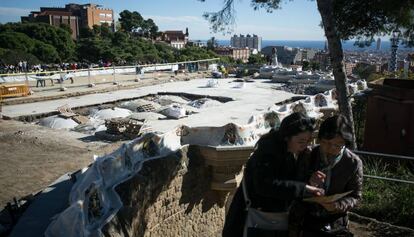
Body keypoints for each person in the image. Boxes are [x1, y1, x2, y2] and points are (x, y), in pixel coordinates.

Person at [222, 112, 324, 237]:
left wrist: (309, 181)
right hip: (252, 220)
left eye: (308, 141)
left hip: (274, 221)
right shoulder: (267, 153)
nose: (305, 145)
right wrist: (303, 188)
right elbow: (265, 185)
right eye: (301, 141)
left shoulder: (291, 152)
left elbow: (289, 181)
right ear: (287, 137)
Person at [290, 115, 363, 237]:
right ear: (319, 139)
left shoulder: (353, 162)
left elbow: (356, 197)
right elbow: (293, 185)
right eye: (327, 143)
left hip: (336, 221)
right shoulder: (308, 155)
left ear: (344, 143)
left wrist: (337, 206)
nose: (331, 148)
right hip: (307, 219)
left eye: (338, 145)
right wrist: (309, 182)